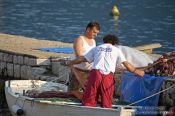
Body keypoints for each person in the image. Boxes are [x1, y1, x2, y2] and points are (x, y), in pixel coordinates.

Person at [63, 34, 144, 108]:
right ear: (114, 43)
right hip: (108, 76)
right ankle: (106, 110)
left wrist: (69, 62)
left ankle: (87, 109)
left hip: (95, 74)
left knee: (89, 98)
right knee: (106, 100)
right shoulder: (116, 50)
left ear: (104, 41)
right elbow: (127, 65)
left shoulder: (97, 48)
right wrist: (138, 72)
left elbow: (82, 59)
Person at [69, 21, 100, 91]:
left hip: (89, 71)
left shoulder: (93, 41)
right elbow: (79, 56)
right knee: (74, 93)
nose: (96, 35)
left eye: (97, 33)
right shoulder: (79, 40)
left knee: (86, 94)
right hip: (78, 71)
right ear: (88, 29)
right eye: (94, 32)